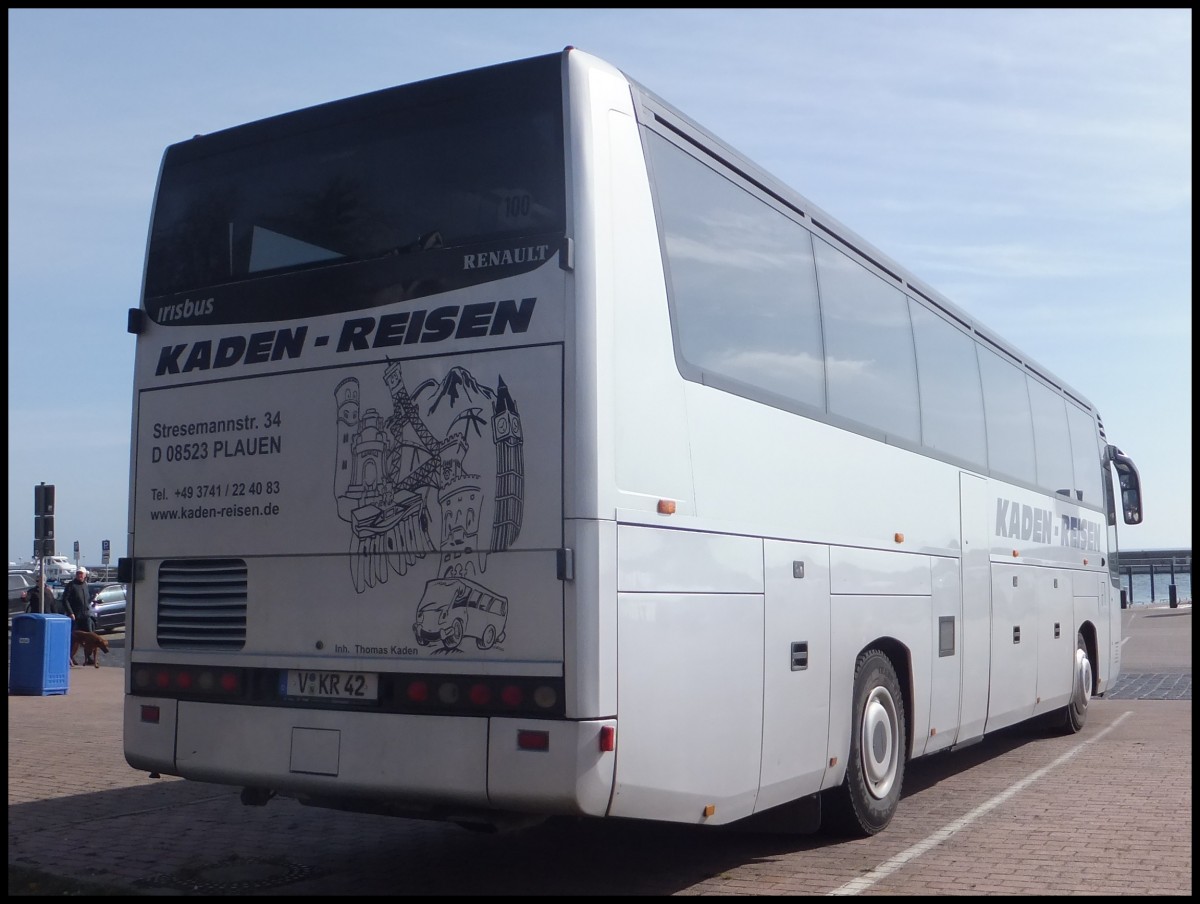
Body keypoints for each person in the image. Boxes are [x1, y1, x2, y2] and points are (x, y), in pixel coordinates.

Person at [61, 568, 96, 663]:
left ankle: (88, 657)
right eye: (78, 573)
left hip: (86, 615)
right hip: (75, 616)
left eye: (81, 574)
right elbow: (65, 600)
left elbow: (86, 600)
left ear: (85, 575)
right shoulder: (71, 585)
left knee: (90, 637)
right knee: (74, 638)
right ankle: (70, 657)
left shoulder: (85, 585)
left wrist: (92, 602)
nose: (79, 575)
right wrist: (70, 612)